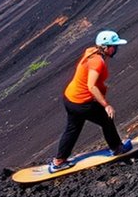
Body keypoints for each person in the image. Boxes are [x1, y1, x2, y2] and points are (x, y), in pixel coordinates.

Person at [49, 30, 133, 172]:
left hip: (70, 98)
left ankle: (59, 161)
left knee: (72, 129)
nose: (116, 49)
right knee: (106, 118)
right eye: (114, 46)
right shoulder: (97, 62)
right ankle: (117, 148)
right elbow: (91, 86)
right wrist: (106, 105)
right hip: (81, 102)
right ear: (106, 47)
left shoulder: (93, 52)